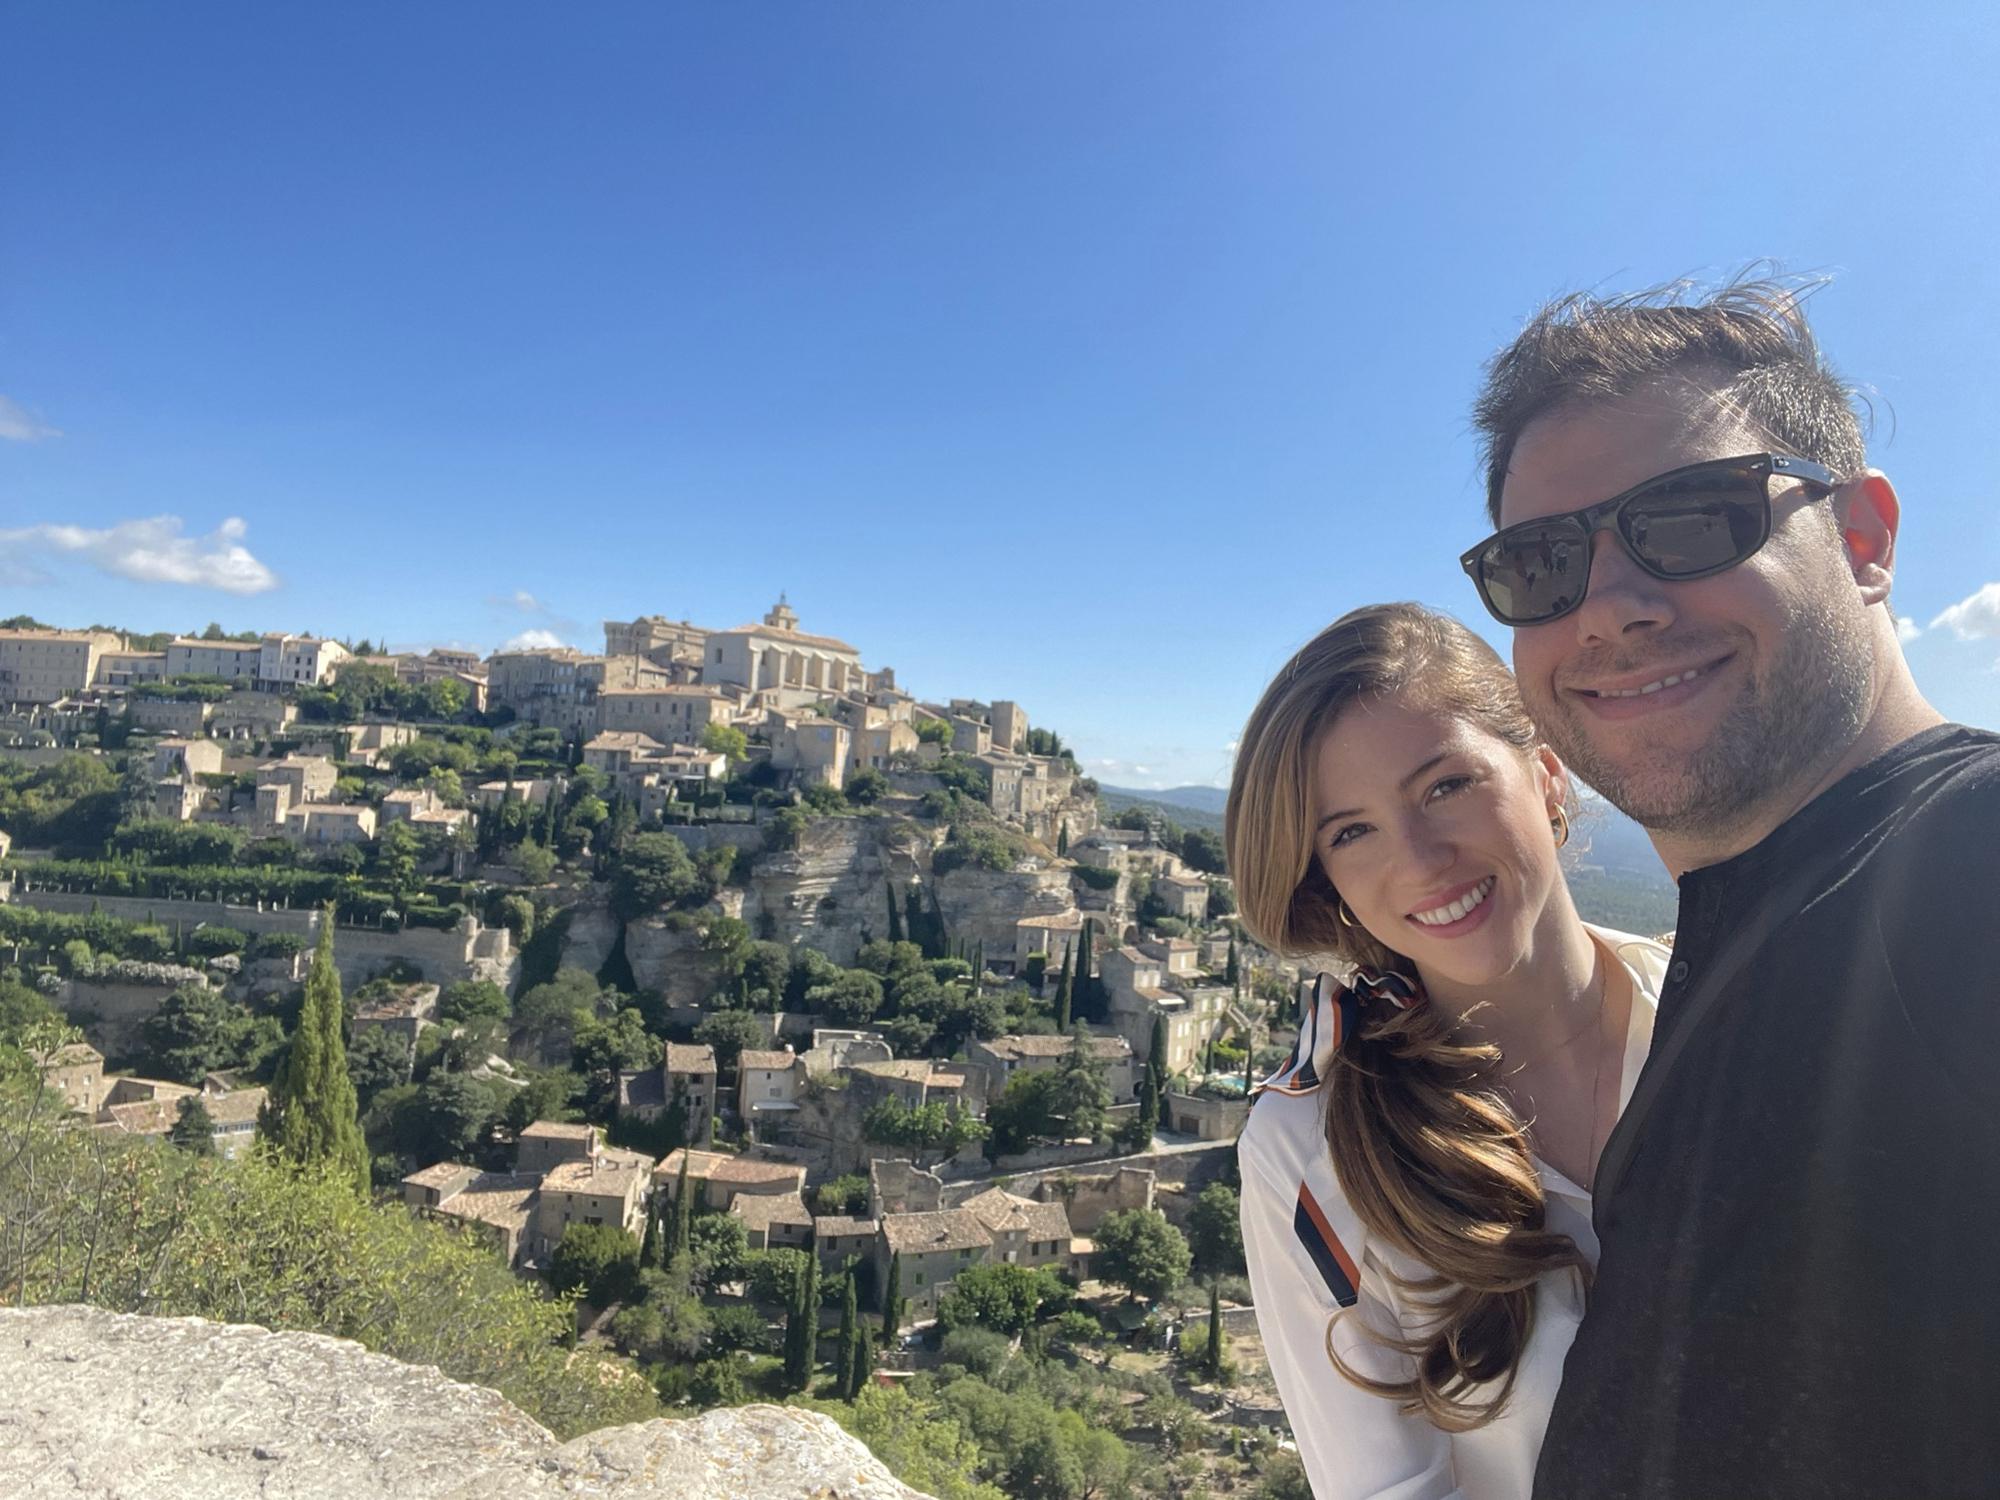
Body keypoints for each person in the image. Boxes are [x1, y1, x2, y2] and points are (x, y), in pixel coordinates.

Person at [1459, 277, 2000, 1499]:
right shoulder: (1736, 941)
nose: (1603, 610)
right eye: (1539, 564)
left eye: (1693, 518)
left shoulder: (1966, 859)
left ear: (1861, 541)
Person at [1230, 602, 1670, 1500]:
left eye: (1445, 786)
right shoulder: (1311, 1153)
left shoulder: (1720, 1014)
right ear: (1330, 882)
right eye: (1351, 831)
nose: (1422, 860)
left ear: (1549, 777)